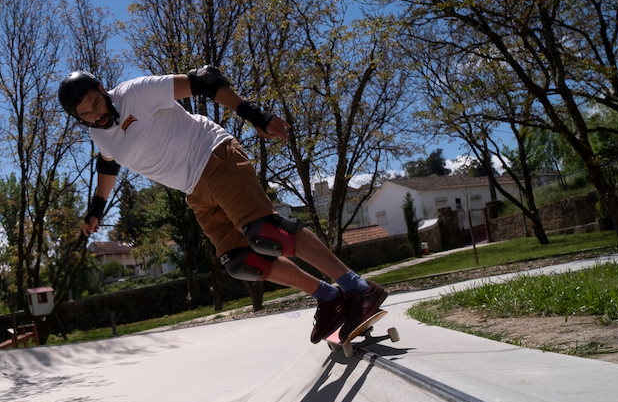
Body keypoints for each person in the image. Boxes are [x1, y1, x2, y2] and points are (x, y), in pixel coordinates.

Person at [59, 67, 387, 343]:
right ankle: (329, 298)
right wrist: (96, 209)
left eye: (96, 104)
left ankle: (357, 287)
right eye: (85, 114)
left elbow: (204, 78)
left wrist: (253, 113)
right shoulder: (98, 134)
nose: (96, 115)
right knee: (243, 261)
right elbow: (108, 164)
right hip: (194, 191)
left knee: (267, 232)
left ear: (103, 90)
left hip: (215, 156)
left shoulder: (136, 93)